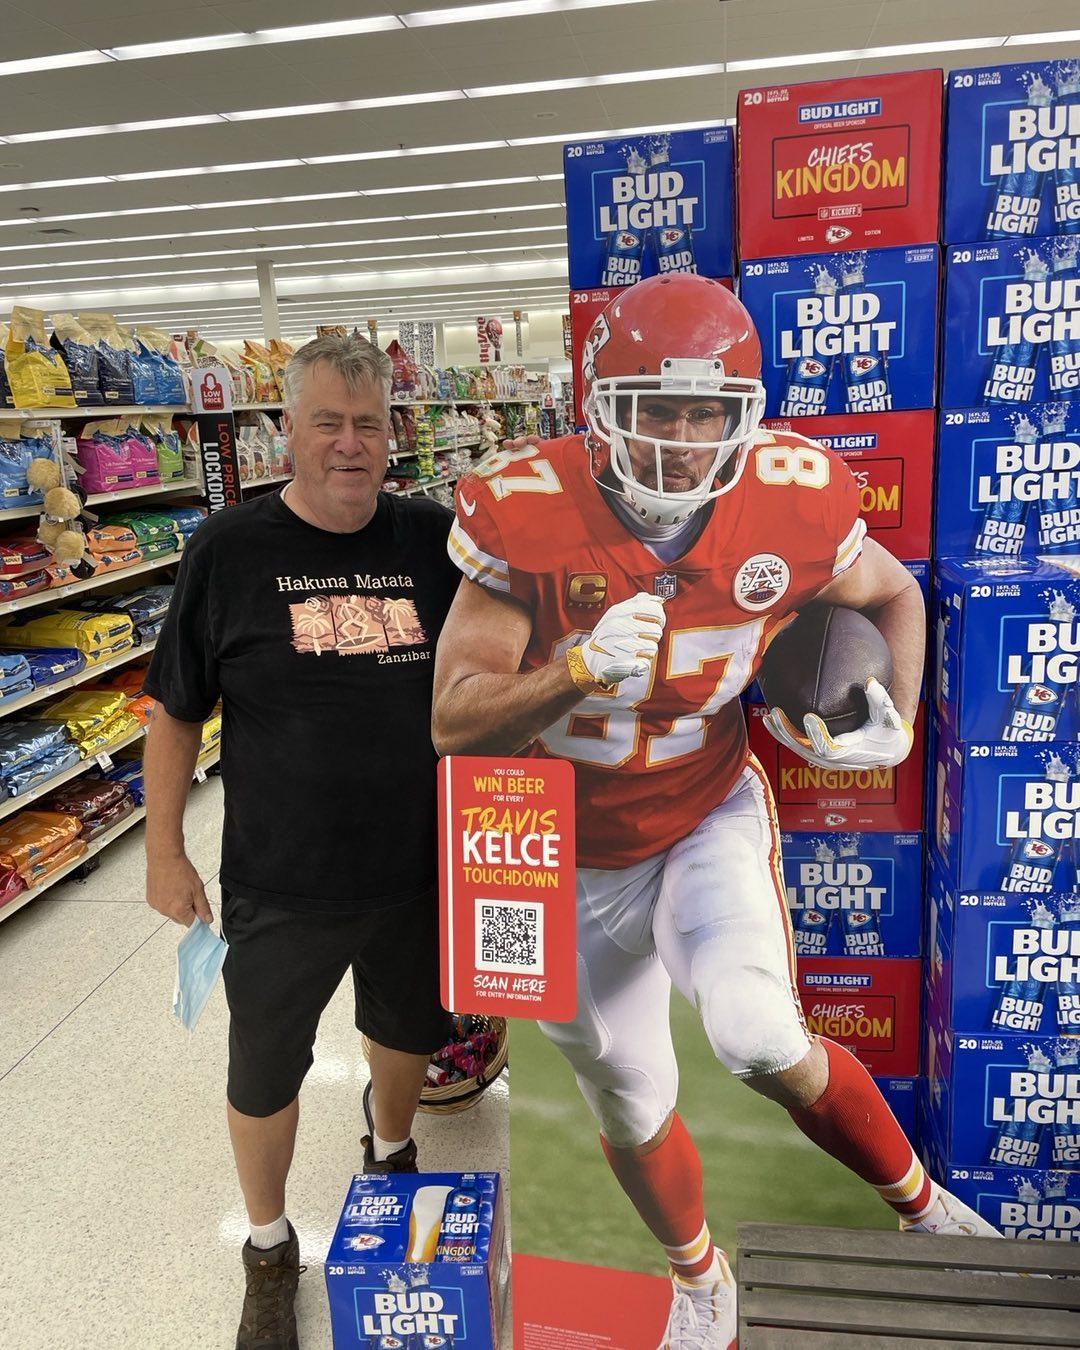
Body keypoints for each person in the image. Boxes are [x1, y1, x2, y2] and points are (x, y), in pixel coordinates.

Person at [432, 275, 1000, 1350]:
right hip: (557, 849)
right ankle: (699, 1278)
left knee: (754, 1034)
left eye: (705, 412)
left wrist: (901, 712)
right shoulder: (526, 508)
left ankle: (923, 1211)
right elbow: (456, 722)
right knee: (630, 1098)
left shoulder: (788, 494)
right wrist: (571, 674)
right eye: (653, 407)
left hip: (701, 808)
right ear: (600, 405)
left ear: (745, 417)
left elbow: (891, 592)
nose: (680, 441)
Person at [143, 334, 459, 1350]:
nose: (350, 445)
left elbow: (492, 674)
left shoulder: (436, 543)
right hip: (281, 874)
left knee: (410, 1029)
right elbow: (173, 711)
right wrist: (162, 851)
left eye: (368, 424)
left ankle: (393, 1148)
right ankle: (270, 1246)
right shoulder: (227, 551)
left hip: (416, 864)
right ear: (288, 429)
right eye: (327, 422)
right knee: (263, 1063)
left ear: (390, 431)